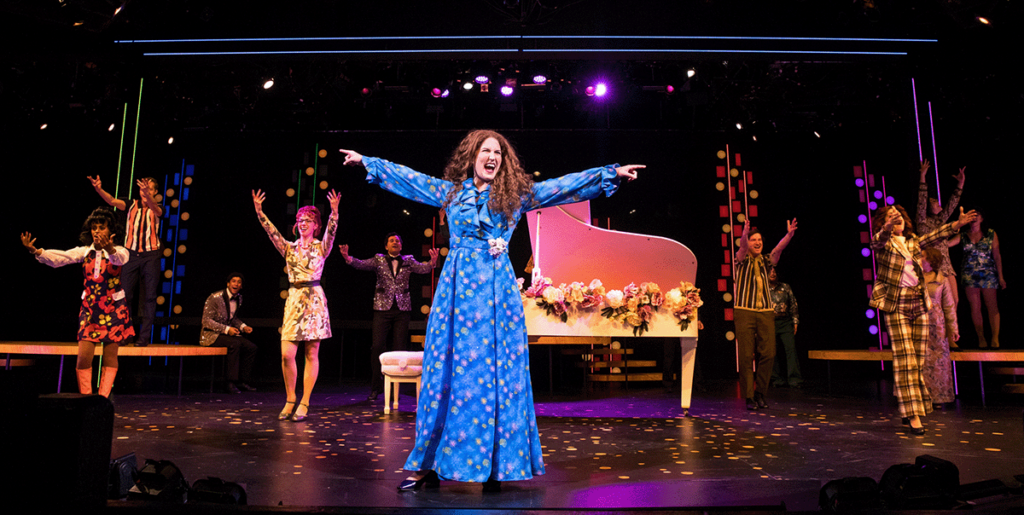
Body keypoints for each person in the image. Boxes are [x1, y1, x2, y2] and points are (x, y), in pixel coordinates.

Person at [339, 130, 643, 492]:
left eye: (497, 152)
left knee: (498, 375)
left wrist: (609, 175)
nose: (492, 157)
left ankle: (497, 465)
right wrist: (367, 162)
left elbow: (562, 187)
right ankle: (431, 465)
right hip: (457, 293)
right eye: (485, 150)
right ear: (472, 156)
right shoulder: (451, 192)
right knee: (447, 372)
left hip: (497, 294)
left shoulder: (516, 195)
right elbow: (410, 180)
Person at [869, 204, 976, 435]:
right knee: (905, 359)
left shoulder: (913, 242)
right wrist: (886, 228)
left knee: (917, 361)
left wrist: (956, 225)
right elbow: (875, 241)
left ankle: (910, 410)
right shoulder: (885, 242)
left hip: (919, 303)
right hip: (896, 303)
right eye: (890, 216)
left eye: (898, 214)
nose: (896, 217)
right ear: (884, 222)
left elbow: (935, 235)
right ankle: (915, 415)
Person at [21, 207, 134, 397]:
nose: (97, 231)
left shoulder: (120, 251)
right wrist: (37, 251)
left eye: (102, 227)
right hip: (90, 310)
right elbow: (61, 257)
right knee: (83, 358)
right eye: (94, 228)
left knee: (110, 357)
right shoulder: (84, 252)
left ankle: (103, 400)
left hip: (114, 310)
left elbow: (119, 259)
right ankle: (87, 400)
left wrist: (109, 248)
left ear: (111, 230)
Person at [252, 189, 341, 422]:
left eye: (308, 220)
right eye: (300, 220)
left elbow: (332, 234)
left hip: (314, 299)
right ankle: (290, 398)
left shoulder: (321, 247)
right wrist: (260, 213)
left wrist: (334, 213)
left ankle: (305, 402)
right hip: (294, 299)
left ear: (316, 225)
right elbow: (272, 233)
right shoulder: (289, 248)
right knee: (286, 354)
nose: (302, 223)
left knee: (311, 352)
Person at [338, 234, 439, 402]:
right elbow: (361, 264)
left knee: (399, 349)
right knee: (377, 347)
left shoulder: (408, 260)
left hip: (402, 310)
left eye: (398, 240)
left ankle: (394, 389)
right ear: (386, 246)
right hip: (382, 308)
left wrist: (432, 262)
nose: (395, 242)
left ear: (401, 246)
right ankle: (376, 387)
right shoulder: (378, 260)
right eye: (392, 240)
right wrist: (348, 258)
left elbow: (423, 269)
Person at [88, 175, 163, 345]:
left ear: (155, 192)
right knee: (124, 295)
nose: (145, 191)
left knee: (150, 297)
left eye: (150, 189)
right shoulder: (131, 205)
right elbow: (112, 201)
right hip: (130, 254)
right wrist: (99, 189)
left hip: (151, 255)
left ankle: (143, 338)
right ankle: (125, 333)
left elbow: (156, 210)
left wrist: (148, 196)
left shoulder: (157, 207)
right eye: (143, 188)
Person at [734, 218, 797, 411]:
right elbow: (742, 249)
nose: (757, 242)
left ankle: (761, 392)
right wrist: (745, 235)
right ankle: (749, 396)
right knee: (745, 355)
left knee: (769, 353)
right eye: (754, 240)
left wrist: (789, 235)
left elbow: (778, 251)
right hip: (745, 310)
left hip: (765, 312)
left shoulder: (765, 261)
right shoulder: (741, 260)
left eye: (759, 239)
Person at [949, 209, 1005, 348]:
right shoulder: (963, 235)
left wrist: (1001, 276)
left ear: (982, 218)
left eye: (977, 215)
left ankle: (995, 338)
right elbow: (947, 244)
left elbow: (997, 256)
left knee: (992, 306)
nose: (974, 218)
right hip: (969, 275)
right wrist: (956, 227)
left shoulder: (990, 234)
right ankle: (981, 338)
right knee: (975, 307)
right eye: (971, 215)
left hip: (988, 274)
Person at [914, 160, 965, 305]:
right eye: (936, 203)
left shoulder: (940, 221)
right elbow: (922, 200)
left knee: (954, 301)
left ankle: (952, 328)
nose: (940, 205)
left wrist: (960, 184)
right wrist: (923, 176)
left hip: (947, 267)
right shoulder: (923, 222)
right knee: (938, 304)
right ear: (930, 208)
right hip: (933, 267)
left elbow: (952, 204)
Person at [200, 272, 258, 394]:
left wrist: (243, 326)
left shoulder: (239, 298)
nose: (236, 284)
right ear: (228, 283)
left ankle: (242, 381)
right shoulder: (215, 297)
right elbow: (206, 321)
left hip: (225, 333)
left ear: (241, 286)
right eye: (233, 281)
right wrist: (226, 329)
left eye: (239, 282)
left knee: (251, 347)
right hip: (210, 335)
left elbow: (232, 318)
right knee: (234, 344)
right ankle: (230, 382)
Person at [921, 248, 958, 408]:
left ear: (931, 260)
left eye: (923, 256)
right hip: (919, 322)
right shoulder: (915, 278)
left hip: (937, 325)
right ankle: (921, 397)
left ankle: (938, 398)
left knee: (937, 362)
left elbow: (949, 306)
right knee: (921, 360)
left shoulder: (941, 279)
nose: (920, 258)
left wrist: (953, 328)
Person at [768, 267, 801, 388]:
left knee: (790, 349)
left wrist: (795, 321)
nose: (773, 273)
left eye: (774, 271)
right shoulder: (763, 288)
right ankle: (776, 379)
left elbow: (793, 304)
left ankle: (794, 379)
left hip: (785, 322)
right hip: (770, 322)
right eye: (770, 271)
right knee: (772, 352)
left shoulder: (785, 287)